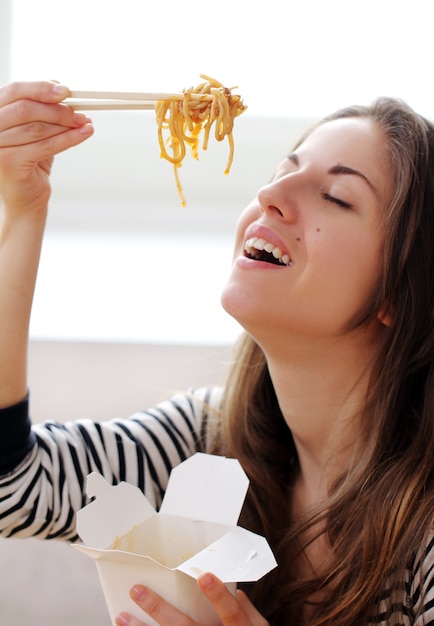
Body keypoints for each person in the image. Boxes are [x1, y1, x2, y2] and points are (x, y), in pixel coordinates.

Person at [0, 80, 432, 626]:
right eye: (279, 174)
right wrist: (23, 209)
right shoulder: (204, 447)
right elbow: (10, 488)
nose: (270, 198)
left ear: (399, 291)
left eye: (335, 197)